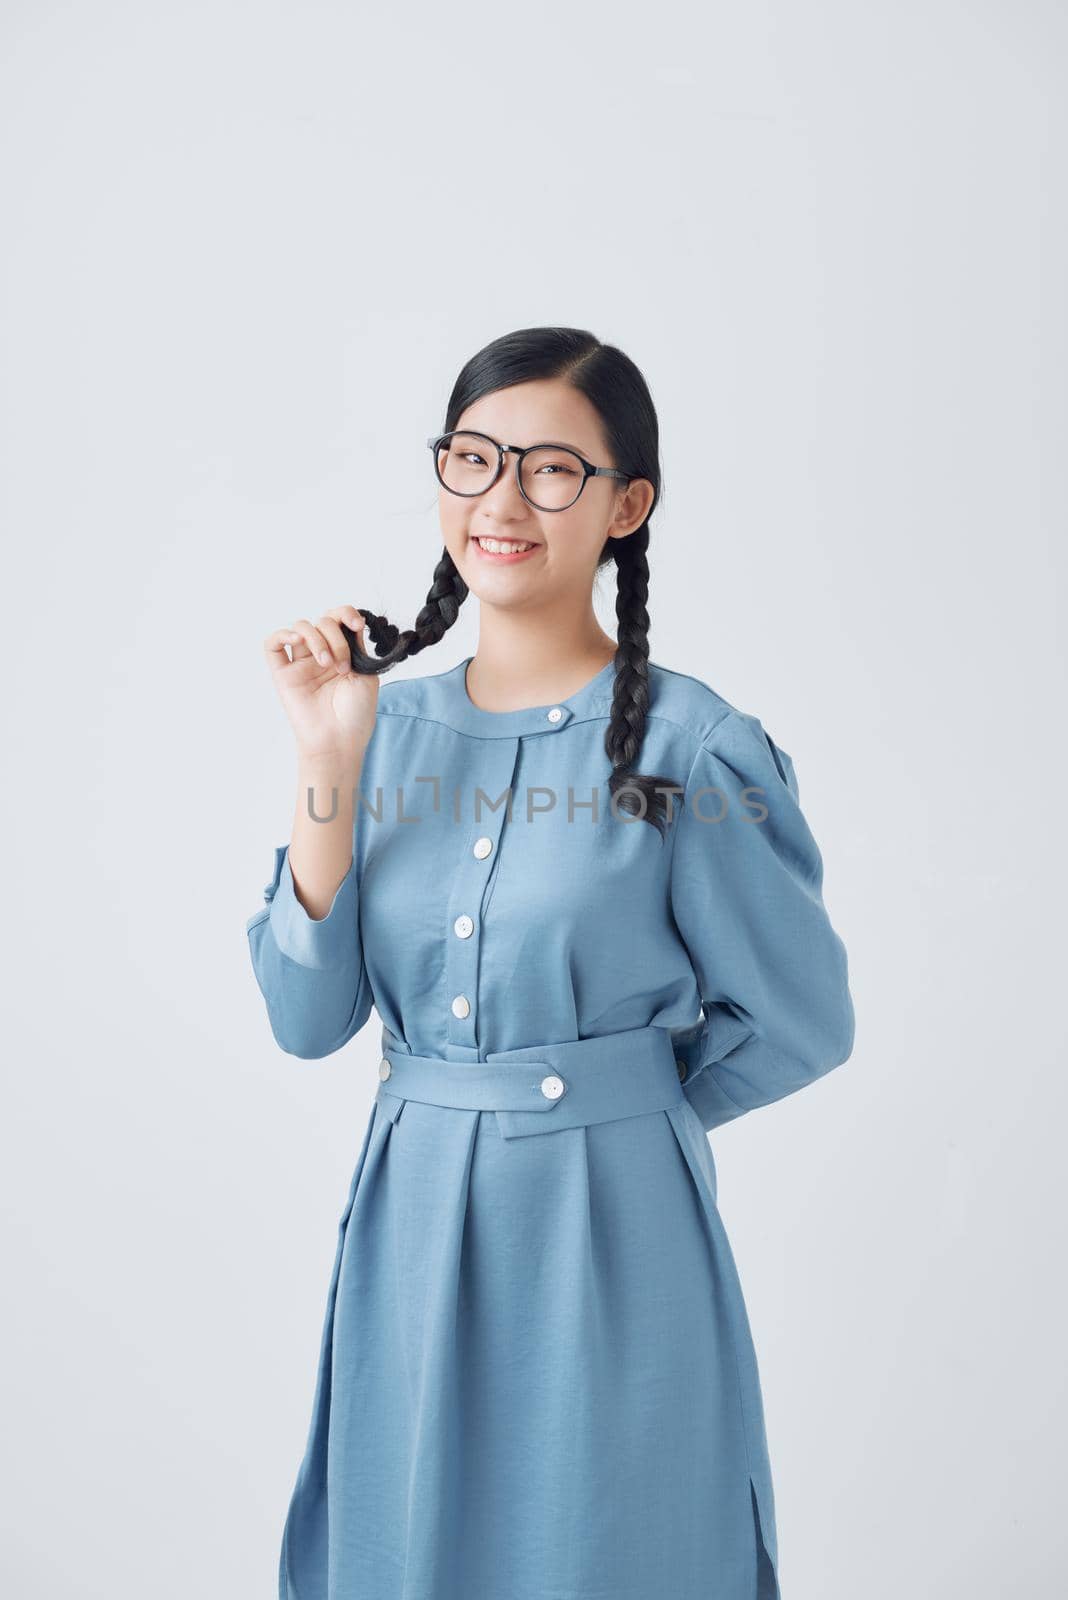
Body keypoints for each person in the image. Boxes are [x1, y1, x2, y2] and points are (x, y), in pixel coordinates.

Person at [246, 325, 855, 1600]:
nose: (502, 501)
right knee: (406, 1546)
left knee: (616, 1549)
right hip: (411, 1226)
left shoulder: (695, 745)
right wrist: (326, 758)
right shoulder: (377, 723)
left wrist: (618, 1108)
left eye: (552, 469)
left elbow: (799, 1019)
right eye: (473, 460)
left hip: (614, 1233)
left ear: (628, 505)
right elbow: (309, 1021)